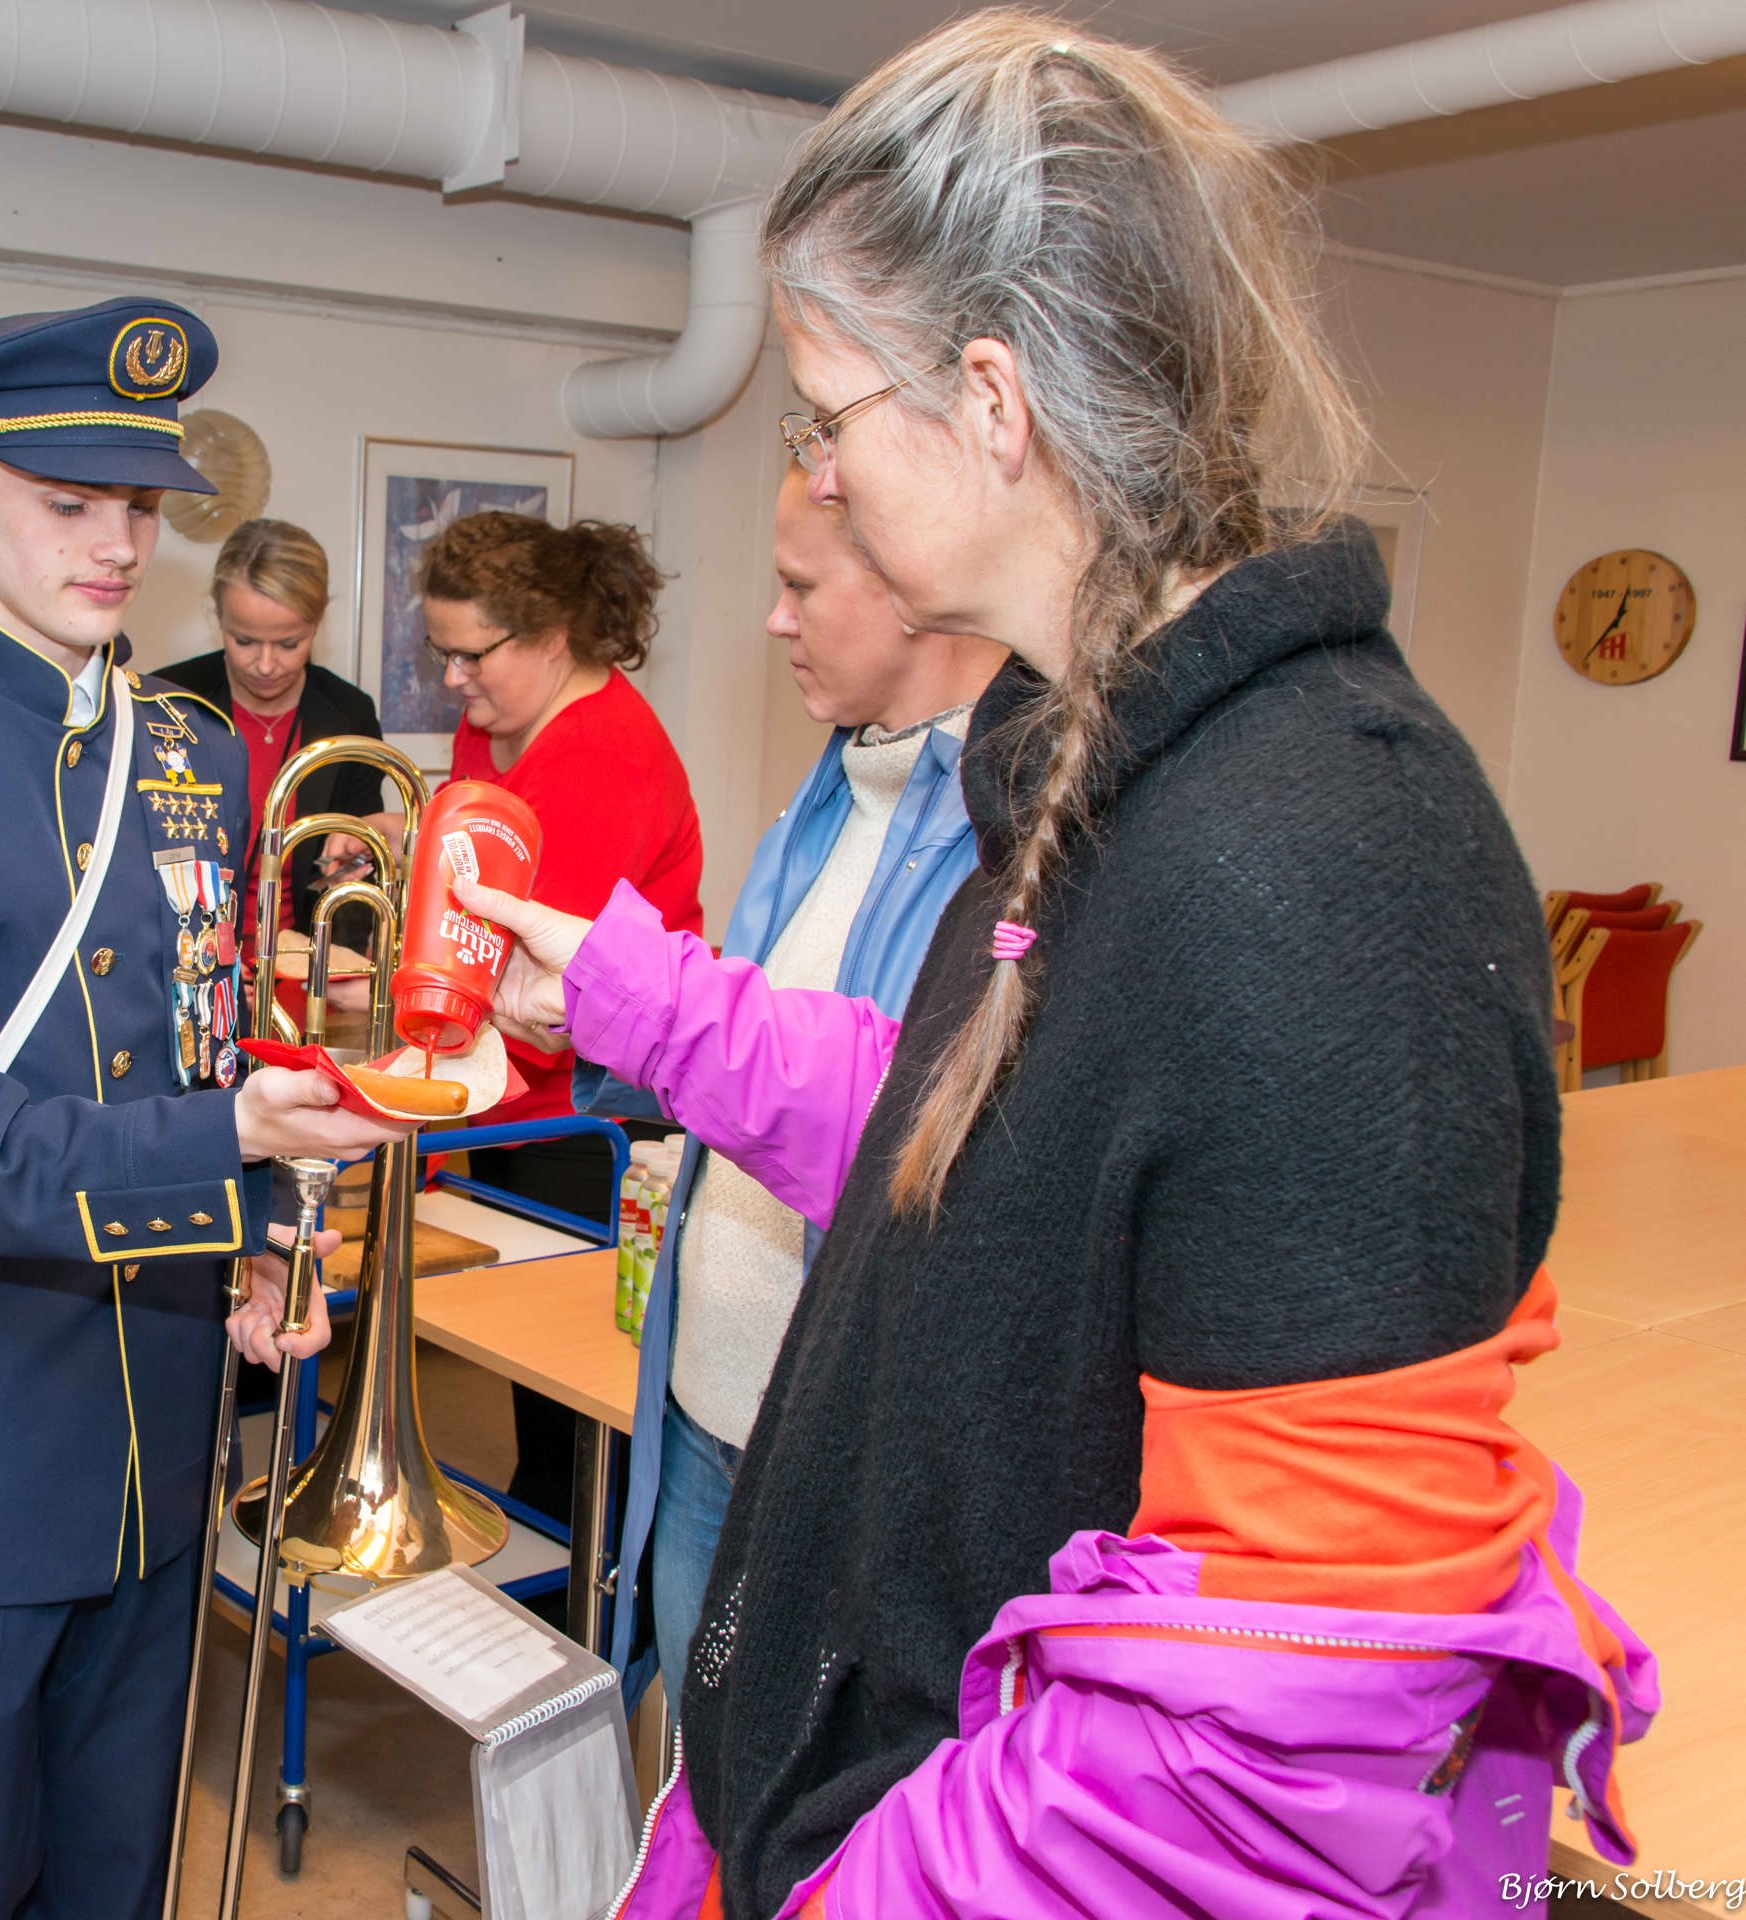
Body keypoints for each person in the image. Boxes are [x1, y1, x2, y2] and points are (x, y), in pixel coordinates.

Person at [469, 17, 1652, 1916]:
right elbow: (975, 1170)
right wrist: (629, 998)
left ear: (991, 400)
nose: (820, 475)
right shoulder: (1084, 762)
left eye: (825, 415)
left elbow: (1269, 1736)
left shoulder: (1322, 863)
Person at [0, 297, 406, 1920]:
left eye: (138, 505)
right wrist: (233, 1148)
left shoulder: (189, 749)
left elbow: (196, 1037)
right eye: (68, 504)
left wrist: (263, 1243)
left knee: (120, 1874)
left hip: (164, 1424)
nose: (118, 547)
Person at [586, 478, 1003, 1710]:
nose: (774, 618)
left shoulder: (1012, 833)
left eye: (801, 585)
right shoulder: (830, 790)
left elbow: (905, 1132)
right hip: (703, 1408)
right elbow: (746, 1063)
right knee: (697, 1783)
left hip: (828, 1456)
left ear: (914, 581)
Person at [414, 509, 703, 1520]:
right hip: (517, 1102)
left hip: (591, 1115)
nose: (453, 678)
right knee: (528, 1385)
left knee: (575, 1413)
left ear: (551, 636)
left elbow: (541, 996)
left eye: (472, 655)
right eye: (442, 652)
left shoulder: (605, 757)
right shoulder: (494, 721)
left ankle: (585, 1585)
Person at [156, 517, 383, 945]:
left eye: (288, 644)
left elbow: (358, 865)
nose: (264, 665)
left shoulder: (351, 714)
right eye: (244, 641)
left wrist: (331, 964)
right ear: (218, 615)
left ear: (317, 623)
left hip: (303, 965)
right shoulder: (167, 701)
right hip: (186, 958)